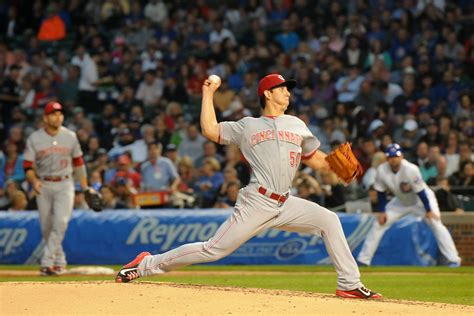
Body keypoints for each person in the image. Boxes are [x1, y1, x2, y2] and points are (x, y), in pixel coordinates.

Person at [116, 73, 382, 299]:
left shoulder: (297, 125)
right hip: (257, 202)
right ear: (268, 93)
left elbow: (316, 160)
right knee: (213, 249)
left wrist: (336, 165)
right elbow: (211, 130)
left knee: (329, 220)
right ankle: (146, 264)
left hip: (286, 202)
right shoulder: (248, 126)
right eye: (283, 88)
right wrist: (208, 93)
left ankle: (349, 284)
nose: (288, 93)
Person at [357, 144, 461, 267]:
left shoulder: (410, 169)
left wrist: (428, 210)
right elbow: (380, 192)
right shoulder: (382, 170)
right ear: (387, 158)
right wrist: (382, 211)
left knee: (436, 223)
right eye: (390, 157)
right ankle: (364, 260)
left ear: (401, 156)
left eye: (396, 156)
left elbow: (421, 192)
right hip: (401, 201)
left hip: (421, 200)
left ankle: (453, 259)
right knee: (379, 223)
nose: (393, 159)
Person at [23, 101, 91, 276]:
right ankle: (60, 261)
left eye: (60, 113)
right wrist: (34, 181)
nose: (58, 116)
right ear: (46, 118)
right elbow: (27, 166)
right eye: (53, 113)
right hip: (43, 184)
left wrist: (85, 187)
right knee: (47, 227)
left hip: (65, 183)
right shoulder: (35, 138)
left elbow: (78, 163)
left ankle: (46, 262)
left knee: (60, 222)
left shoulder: (70, 136)